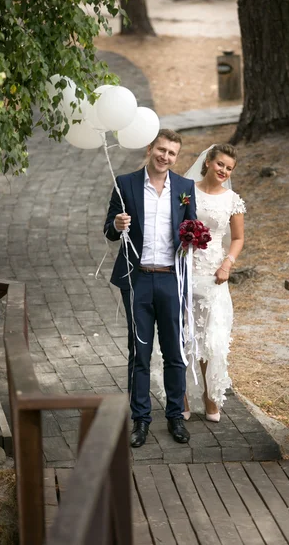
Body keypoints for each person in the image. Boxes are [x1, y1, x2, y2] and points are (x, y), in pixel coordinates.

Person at [104, 129, 197, 448]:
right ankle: (140, 419)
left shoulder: (185, 188)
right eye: (161, 149)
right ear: (150, 148)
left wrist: (192, 239)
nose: (165, 156)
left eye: (172, 153)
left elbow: (191, 228)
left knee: (174, 352)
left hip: (172, 279)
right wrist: (116, 226)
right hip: (137, 279)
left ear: (176, 157)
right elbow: (108, 230)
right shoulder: (126, 183)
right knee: (139, 353)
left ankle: (174, 416)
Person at [183, 143, 245, 421]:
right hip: (184, 269)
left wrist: (227, 264)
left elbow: (238, 238)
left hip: (214, 275)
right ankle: (181, 400)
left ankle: (210, 399)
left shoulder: (232, 199)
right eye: (220, 164)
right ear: (208, 161)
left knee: (211, 339)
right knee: (183, 336)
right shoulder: (186, 191)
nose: (223, 170)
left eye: (229, 168)